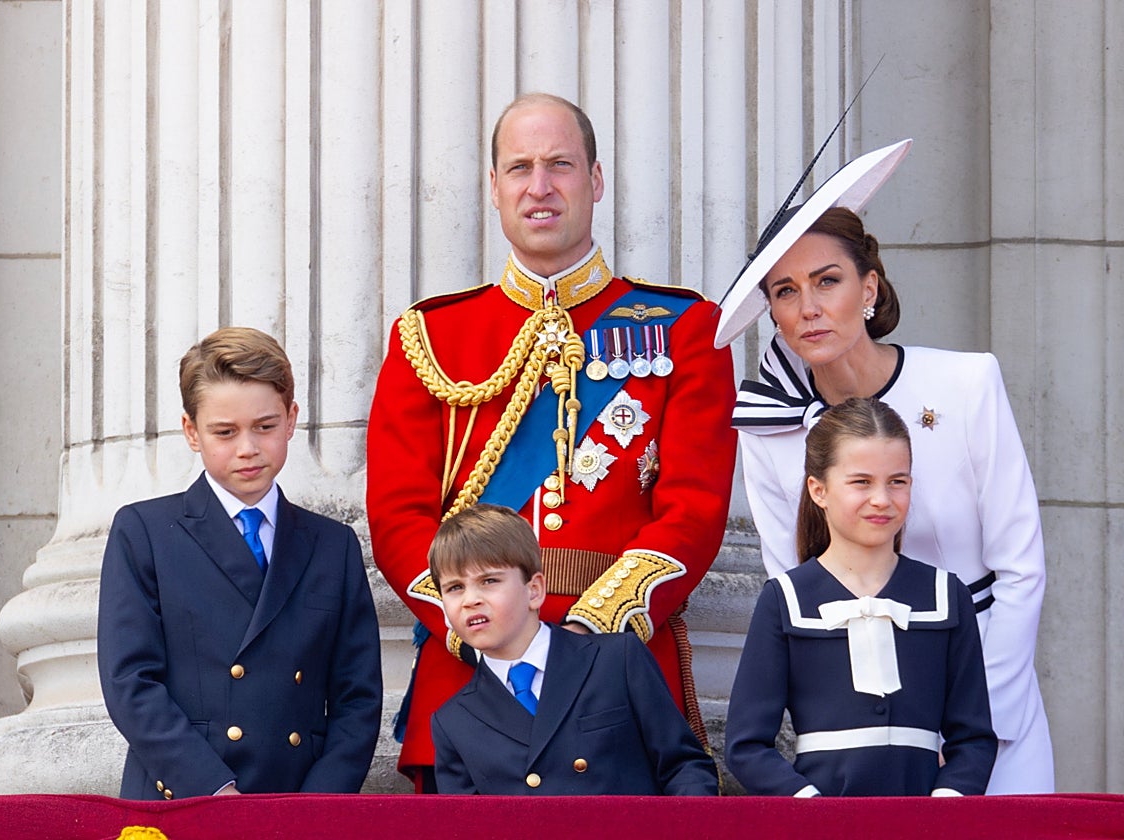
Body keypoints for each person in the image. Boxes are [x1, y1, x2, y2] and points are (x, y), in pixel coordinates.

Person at [367, 92, 737, 789]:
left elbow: (693, 508)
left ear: (595, 181)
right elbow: (396, 518)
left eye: (560, 165)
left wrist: (589, 640)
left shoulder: (686, 329)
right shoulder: (429, 338)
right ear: (495, 187)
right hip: (472, 676)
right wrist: (488, 628)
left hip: (618, 674)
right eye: (520, 168)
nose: (540, 187)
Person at [716, 144, 1053, 793]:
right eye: (786, 291)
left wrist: (978, 725)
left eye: (827, 280)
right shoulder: (769, 430)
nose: (809, 306)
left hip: (984, 699)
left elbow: (1021, 567)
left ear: (868, 287)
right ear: (774, 316)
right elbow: (791, 581)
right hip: (857, 731)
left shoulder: (966, 382)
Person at [98, 327, 382, 799]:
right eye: (225, 432)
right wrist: (213, 790)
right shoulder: (144, 532)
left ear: (291, 420)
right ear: (192, 432)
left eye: (265, 427)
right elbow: (130, 682)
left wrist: (315, 807)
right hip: (185, 798)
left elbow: (358, 697)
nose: (247, 448)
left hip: (298, 806)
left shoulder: (334, 545)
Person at [725, 397, 997, 796]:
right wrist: (811, 809)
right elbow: (746, 746)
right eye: (861, 482)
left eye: (897, 481)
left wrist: (946, 805)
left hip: (926, 823)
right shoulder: (785, 598)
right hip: (819, 824)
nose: (882, 499)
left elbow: (973, 737)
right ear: (819, 490)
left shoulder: (945, 594)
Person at [429, 504, 719, 795]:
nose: (471, 600)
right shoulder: (453, 721)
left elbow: (684, 768)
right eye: (454, 588)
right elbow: (465, 826)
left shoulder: (617, 660)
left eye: (489, 581)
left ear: (534, 590)